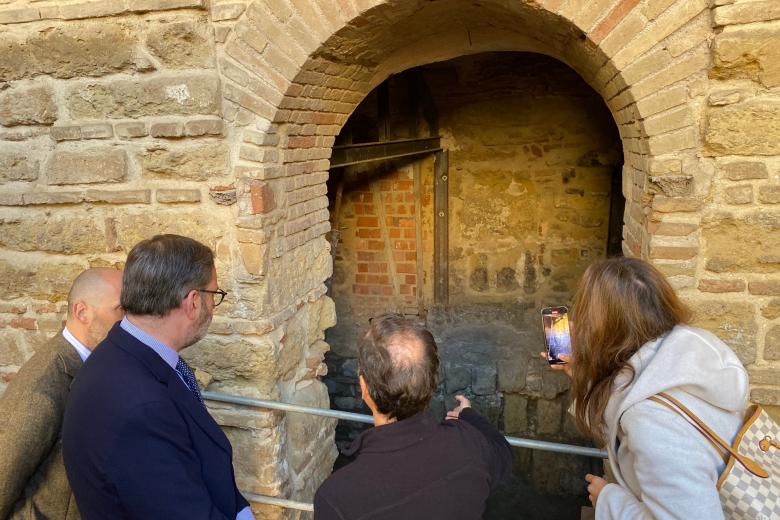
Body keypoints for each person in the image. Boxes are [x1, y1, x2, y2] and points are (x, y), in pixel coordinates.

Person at [62, 235, 254, 520]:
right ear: (192, 302)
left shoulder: (125, 353)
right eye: (213, 294)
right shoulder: (140, 408)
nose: (213, 306)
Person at [546, 257, 748, 520]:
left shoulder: (651, 421)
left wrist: (609, 501)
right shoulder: (690, 353)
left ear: (603, 331)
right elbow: (625, 414)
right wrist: (583, 377)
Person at [314, 313, 512, 520]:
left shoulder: (336, 498)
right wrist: (469, 417)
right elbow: (503, 453)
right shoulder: (470, 446)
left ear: (364, 388)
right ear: (432, 383)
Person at [0, 267, 123, 520]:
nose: (130, 320)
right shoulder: (41, 386)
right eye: (121, 309)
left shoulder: (96, 363)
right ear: (82, 312)